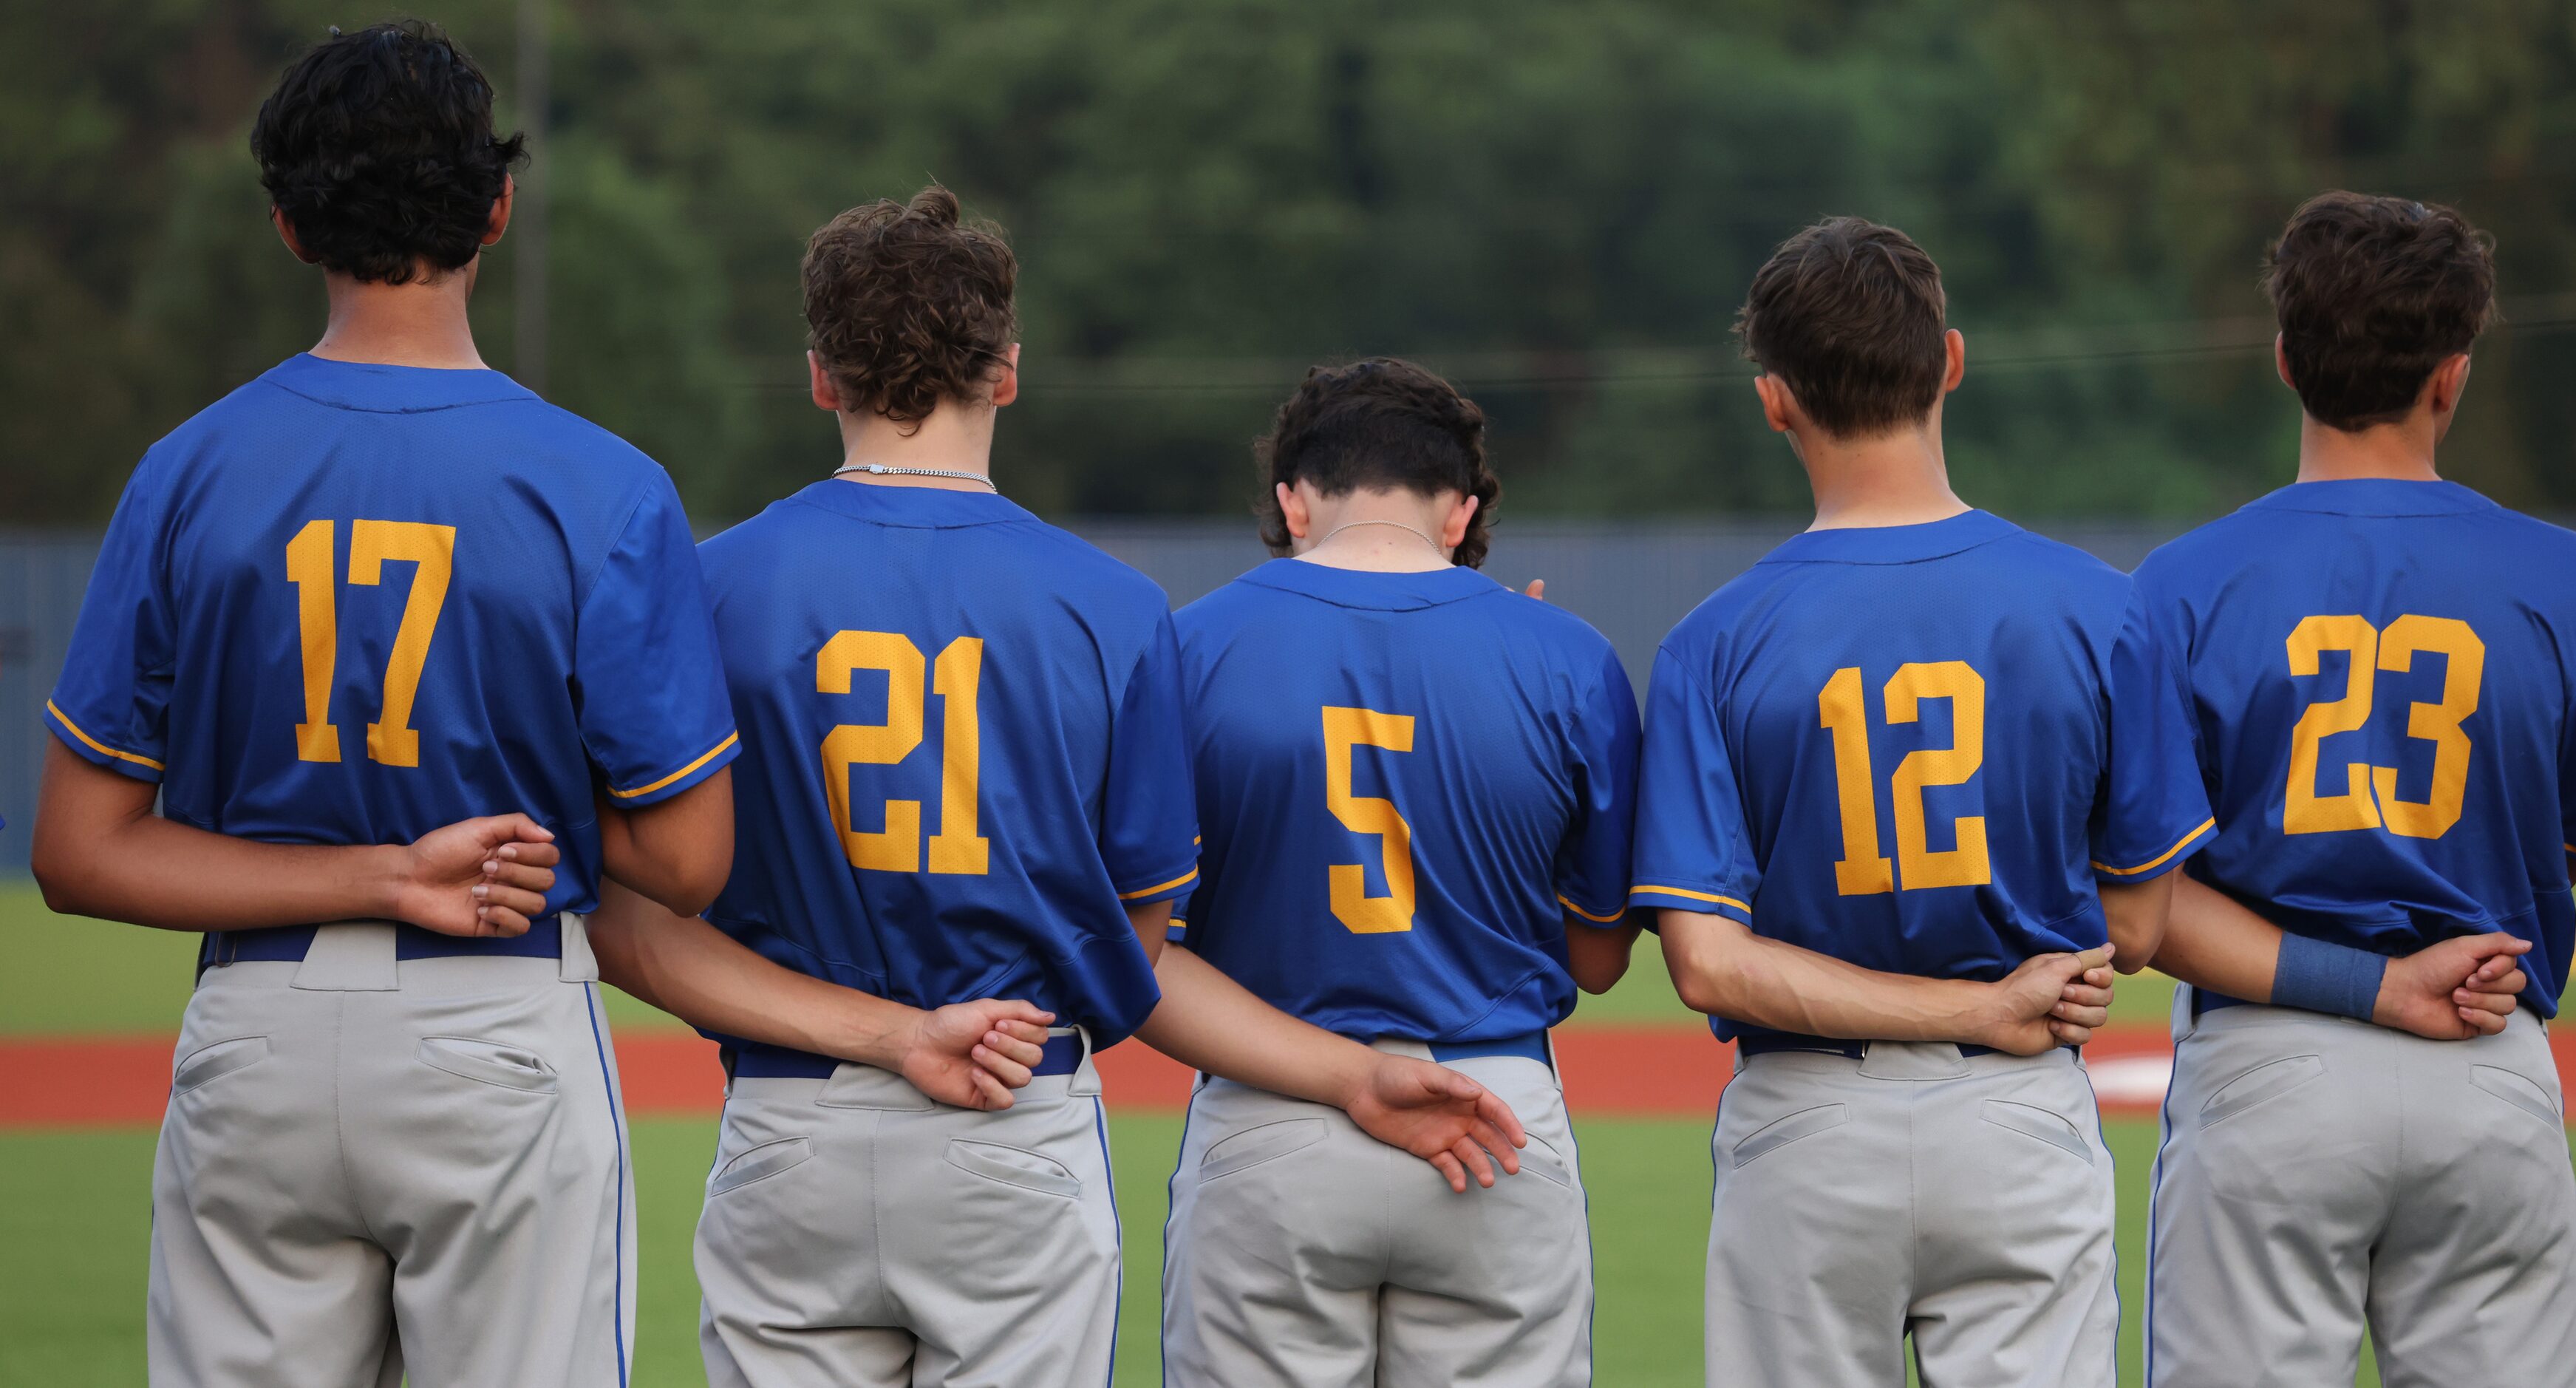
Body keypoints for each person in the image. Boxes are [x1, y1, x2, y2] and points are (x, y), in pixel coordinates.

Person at [586, 189, 1519, 1388]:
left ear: (819, 376)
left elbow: (634, 921)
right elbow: (1130, 957)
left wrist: (880, 1030)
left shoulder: (708, 584)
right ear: (1008, 373)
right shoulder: (1113, 606)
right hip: (1010, 1110)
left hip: (791, 1124)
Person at [27, 22, 737, 1387]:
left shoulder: (186, 470)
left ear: (288, 225)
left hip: (260, 1035)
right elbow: (690, 861)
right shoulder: (601, 485)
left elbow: (79, 850)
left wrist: (370, 872)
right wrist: (467, 848)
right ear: (499, 209)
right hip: (496, 1026)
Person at [1629, 216, 2184, 1387]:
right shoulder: (2100, 608)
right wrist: (1986, 1004)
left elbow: (1707, 967)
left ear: (1773, 401)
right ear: (1952, 362)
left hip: (1805, 1122)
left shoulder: (1708, 644)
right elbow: (2134, 931)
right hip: (2017, 1111)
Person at [2134, 191, 2576, 1388]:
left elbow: (2142, 908)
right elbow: (2555, 852)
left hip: (2270, 1068)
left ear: (2283, 360)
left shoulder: (2177, 586)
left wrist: (2359, 980)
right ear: (2450, 377)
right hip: (2485, 1053)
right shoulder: (2567, 580)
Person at [1151, 358, 1636, 1387]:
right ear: (1459, 514)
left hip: (1272, 1104)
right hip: (1490, 1105)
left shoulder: (1186, 647)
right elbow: (1596, 958)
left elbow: (1139, 954)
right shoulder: (1566, 656)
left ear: (1292, 502)